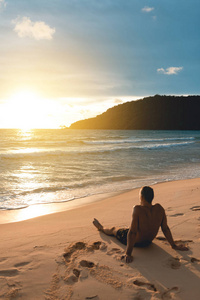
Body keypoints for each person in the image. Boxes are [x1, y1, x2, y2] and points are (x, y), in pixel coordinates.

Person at [93, 186, 188, 263]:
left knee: (114, 229)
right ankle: (103, 227)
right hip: (148, 242)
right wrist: (174, 245)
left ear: (142, 197)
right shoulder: (160, 208)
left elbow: (132, 232)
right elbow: (165, 229)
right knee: (130, 228)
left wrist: (128, 253)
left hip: (137, 242)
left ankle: (101, 228)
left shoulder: (137, 209)